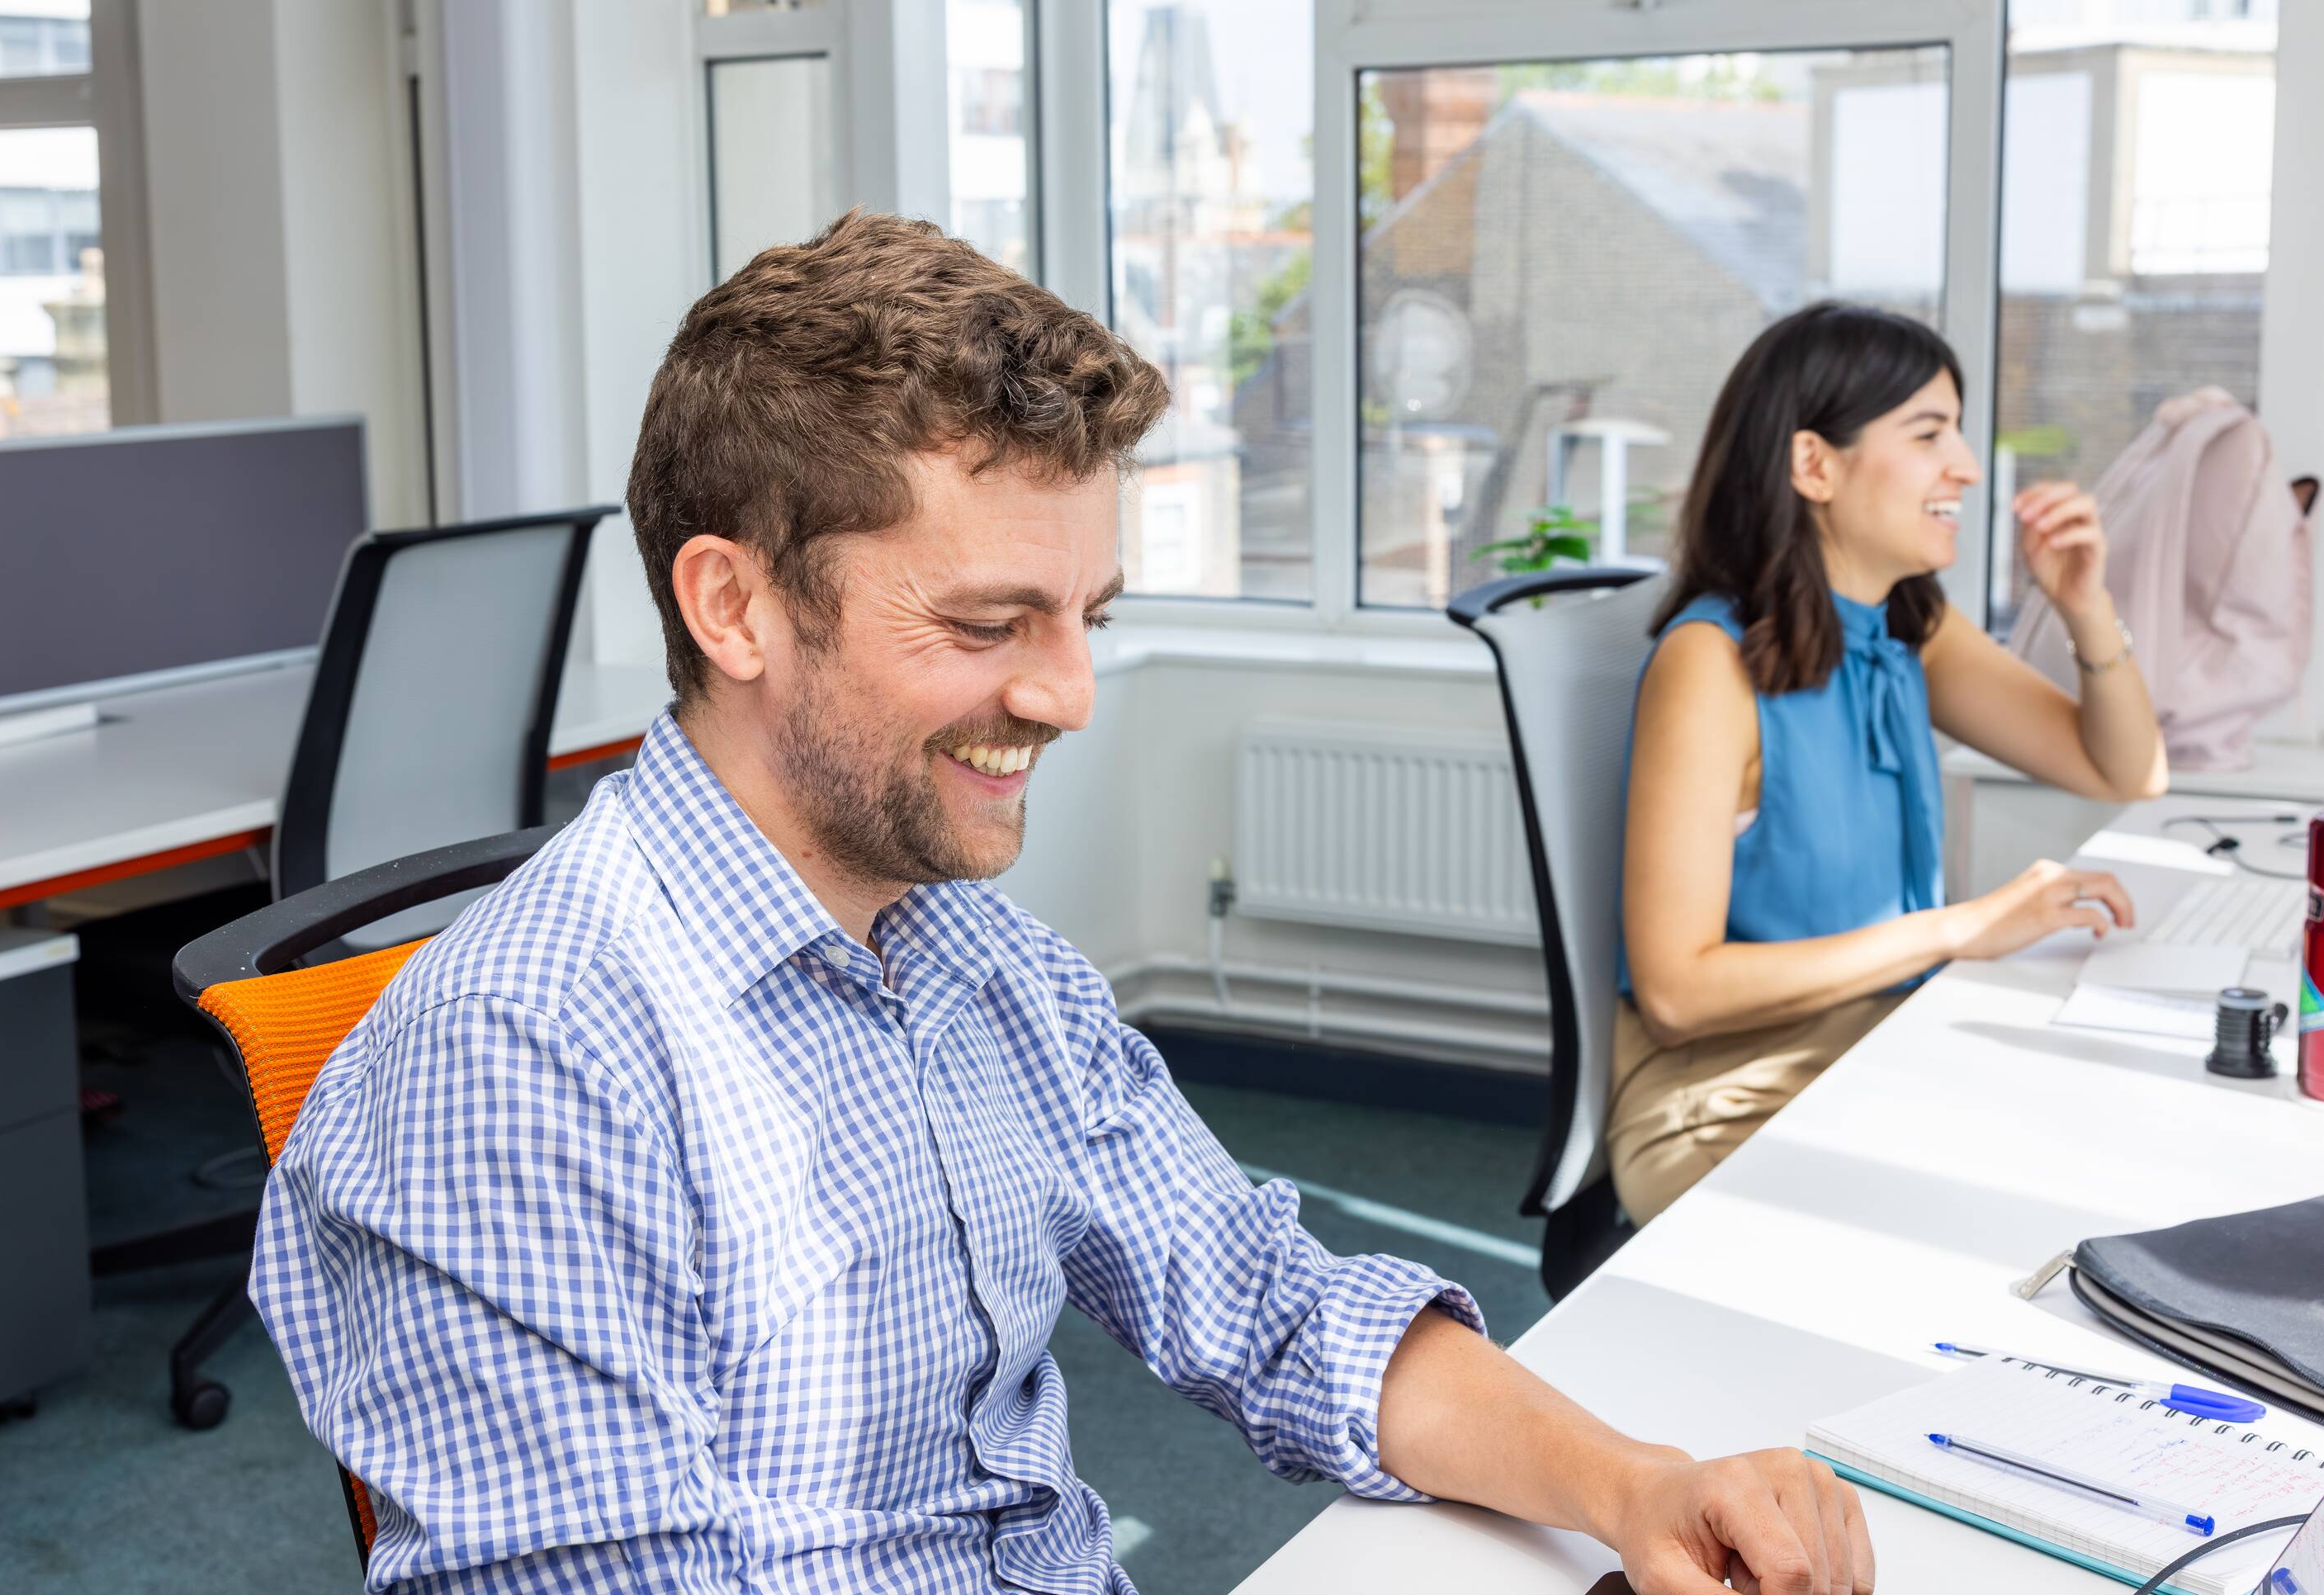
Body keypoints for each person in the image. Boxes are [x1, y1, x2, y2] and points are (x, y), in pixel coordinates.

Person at [252, 212, 1873, 1595]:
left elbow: (1266, 1304)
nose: (1069, 695)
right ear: (732, 603)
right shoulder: (518, 1069)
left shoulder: (973, 951)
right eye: (987, 622)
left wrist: (1632, 1490)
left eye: (1085, 614)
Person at [1612, 302, 2167, 1228]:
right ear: (1812, 465)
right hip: (1725, 1102)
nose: (1963, 465)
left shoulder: (1907, 629)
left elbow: (2123, 770)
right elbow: (1675, 994)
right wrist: (1958, 929)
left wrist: (2083, 608)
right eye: (1927, 433)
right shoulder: (1707, 666)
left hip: (1880, 1052)